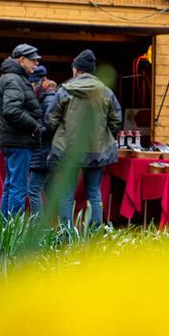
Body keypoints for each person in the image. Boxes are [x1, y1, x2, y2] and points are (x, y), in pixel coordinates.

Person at [49, 49, 123, 229]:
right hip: (97, 150)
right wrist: (103, 137)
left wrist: (60, 135)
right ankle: (94, 233)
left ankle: (66, 233)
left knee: (66, 193)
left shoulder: (64, 91)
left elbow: (51, 119)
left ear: (76, 70)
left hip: (68, 149)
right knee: (94, 192)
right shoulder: (106, 93)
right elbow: (116, 120)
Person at [0, 43, 43, 216]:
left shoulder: (12, 78)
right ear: (22, 60)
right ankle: (15, 231)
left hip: (14, 141)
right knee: (18, 187)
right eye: (33, 60)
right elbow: (12, 110)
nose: (36, 64)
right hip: (19, 141)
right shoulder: (13, 79)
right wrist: (35, 125)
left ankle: (5, 229)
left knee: (10, 185)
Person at [28, 66, 58, 215]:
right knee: (51, 190)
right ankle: (61, 225)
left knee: (33, 190)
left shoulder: (49, 99)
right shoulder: (46, 97)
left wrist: (34, 129)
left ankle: (37, 230)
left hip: (43, 151)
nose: (33, 87)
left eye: (34, 84)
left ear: (43, 82)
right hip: (45, 150)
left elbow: (51, 126)